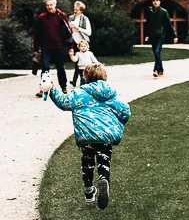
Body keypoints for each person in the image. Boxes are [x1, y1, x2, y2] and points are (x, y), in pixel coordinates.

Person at [44, 63, 130, 209]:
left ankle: (89, 190)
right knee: (104, 159)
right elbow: (125, 111)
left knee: (87, 160)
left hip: (86, 135)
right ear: (105, 77)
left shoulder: (79, 94)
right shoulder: (112, 94)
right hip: (106, 135)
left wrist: (51, 87)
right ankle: (104, 179)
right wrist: (119, 122)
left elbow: (63, 102)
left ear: (86, 78)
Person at [32, 0, 74, 96]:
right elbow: (37, 34)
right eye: (47, 5)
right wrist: (36, 49)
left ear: (55, 4)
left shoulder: (61, 16)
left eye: (51, 5)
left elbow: (68, 33)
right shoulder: (42, 18)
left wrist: (71, 47)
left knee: (60, 67)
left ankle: (63, 87)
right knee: (45, 68)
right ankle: (43, 89)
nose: (49, 7)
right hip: (46, 47)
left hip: (59, 46)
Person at [144, 0, 176, 78]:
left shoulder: (163, 12)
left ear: (160, 2)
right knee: (156, 53)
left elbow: (169, 24)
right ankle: (161, 69)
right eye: (154, 0)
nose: (155, 2)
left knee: (157, 52)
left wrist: (174, 35)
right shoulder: (150, 12)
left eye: (157, 0)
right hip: (152, 36)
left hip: (160, 35)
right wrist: (147, 35)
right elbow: (148, 24)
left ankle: (156, 70)